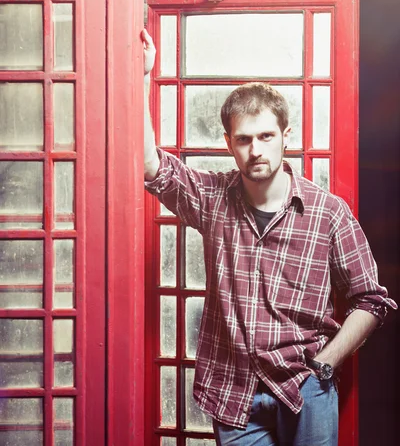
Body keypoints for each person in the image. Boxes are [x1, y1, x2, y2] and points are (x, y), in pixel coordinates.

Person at [142, 28, 397, 446]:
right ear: (229, 143)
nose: (255, 150)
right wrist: (144, 76)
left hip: (306, 388)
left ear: (285, 137)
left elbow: (373, 299)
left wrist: (327, 362)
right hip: (234, 389)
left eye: (266, 136)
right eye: (243, 139)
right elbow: (150, 165)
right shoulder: (213, 199)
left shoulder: (327, 212)